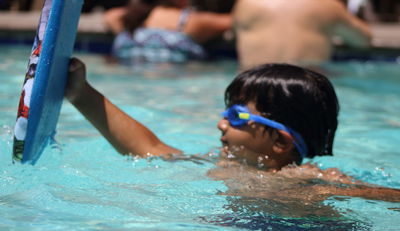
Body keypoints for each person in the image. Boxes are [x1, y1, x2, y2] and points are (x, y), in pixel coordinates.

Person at [65, 58, 400, 208]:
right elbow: (149, 147)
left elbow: (386, 196)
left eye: (236, 116)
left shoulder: (308, 180)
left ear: (281, 141)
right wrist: (82, 95)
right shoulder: (228, 165)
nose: (220, 123)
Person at [233, 0, 372, 70]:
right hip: (306, 87)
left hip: (251, 85)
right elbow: (363, 40)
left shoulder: (245, 4)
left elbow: (235, 34)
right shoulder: (327, 5)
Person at [104, 0, 232, 63]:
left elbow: (110, 16)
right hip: (174, 83)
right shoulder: (192, 21)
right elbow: (238, 19)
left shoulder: (128, 18)